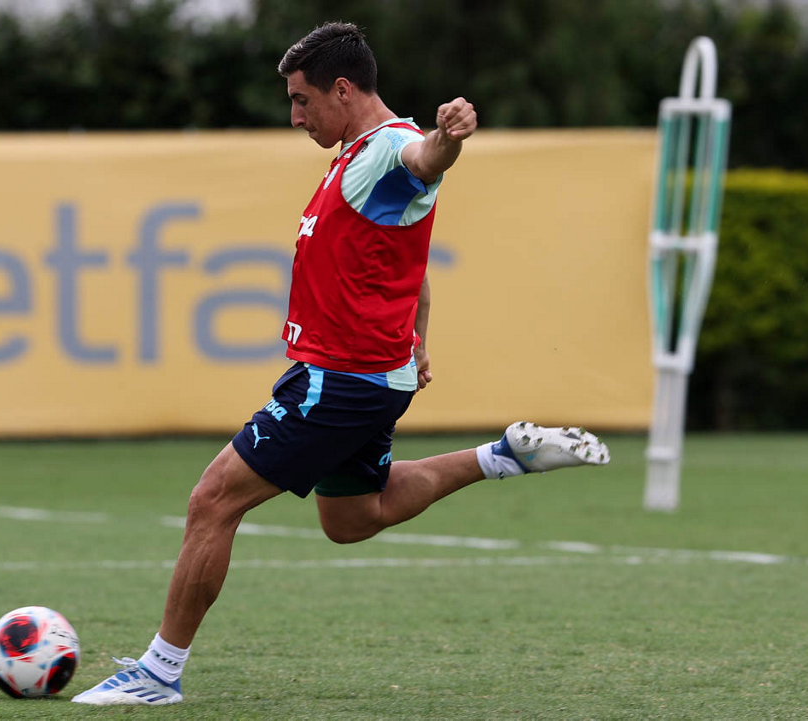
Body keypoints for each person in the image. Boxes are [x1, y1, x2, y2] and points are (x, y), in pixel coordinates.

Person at [71, 22, 610, 706]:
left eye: (302, 101)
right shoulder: (354, 156)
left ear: (344, 89)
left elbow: (425, 157)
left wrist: (449, 137)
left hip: (338, 379)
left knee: (212, 501)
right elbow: (408, 262)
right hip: (372, 376)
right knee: (352, 517)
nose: (296, 117)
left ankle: (158, 673)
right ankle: (501, 457)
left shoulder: (386, 150)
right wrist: (418, 336)